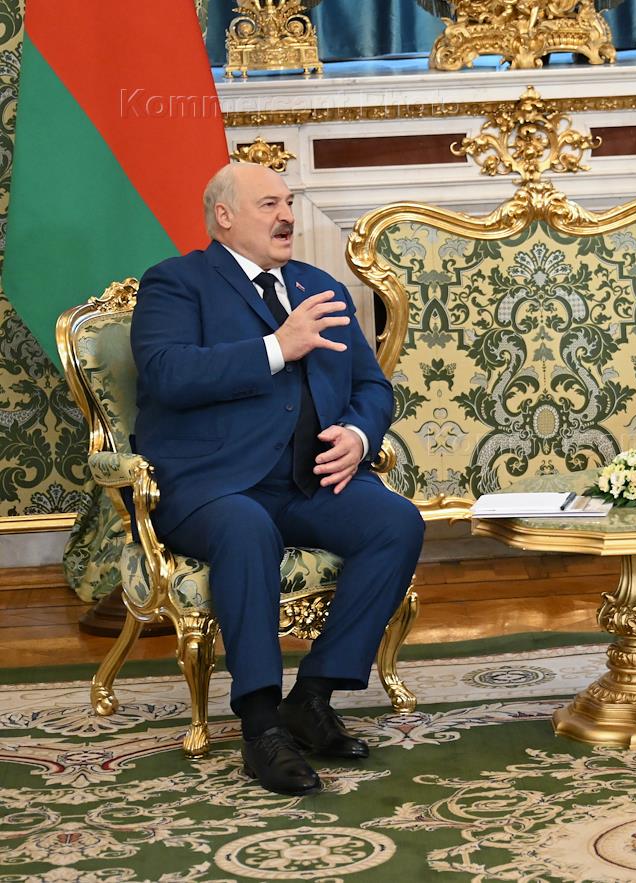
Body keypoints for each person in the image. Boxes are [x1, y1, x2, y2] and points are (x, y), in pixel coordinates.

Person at [131, 162, 425, 796]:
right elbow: (166, 374)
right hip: (213, 487)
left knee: (395, 522)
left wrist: (358, 435)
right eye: (269, 204)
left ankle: (312, 697)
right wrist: (277, 347)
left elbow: (372, 386)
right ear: (224, 216)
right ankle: (261, 726)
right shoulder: (176, 283)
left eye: (288, 202)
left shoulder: (320, 286)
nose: (287, 215)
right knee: (246, 527)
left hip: (308, 482)